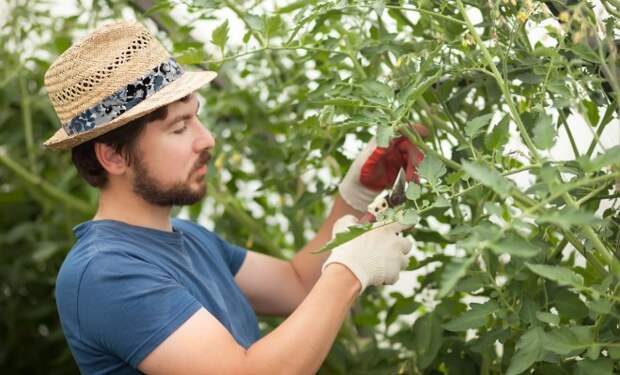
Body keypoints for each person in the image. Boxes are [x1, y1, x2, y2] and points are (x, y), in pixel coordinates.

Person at [46, 21, 425, 375]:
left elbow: (298, 285)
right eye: (179, 128)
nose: (206, 138)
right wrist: (350, 273)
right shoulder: (105, 273)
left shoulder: (189, 238)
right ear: (112, 156)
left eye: (196, 117)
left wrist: (355, 194)